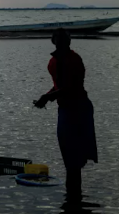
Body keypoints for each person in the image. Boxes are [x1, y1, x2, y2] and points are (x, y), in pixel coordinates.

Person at [33, 28, 97, 197]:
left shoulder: (73, 60)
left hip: (78, 110)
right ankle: (74, 196)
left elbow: (71, 87)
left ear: (68, 41)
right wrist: (47, 96)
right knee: (71, 160)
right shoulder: (54, 62)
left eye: (63, 38)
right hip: (68, 110)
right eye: (58, 38)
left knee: (75, 160)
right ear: (54, 41)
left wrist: (46, 98)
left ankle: (73, 198)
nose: (61, 40)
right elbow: (60, 86)